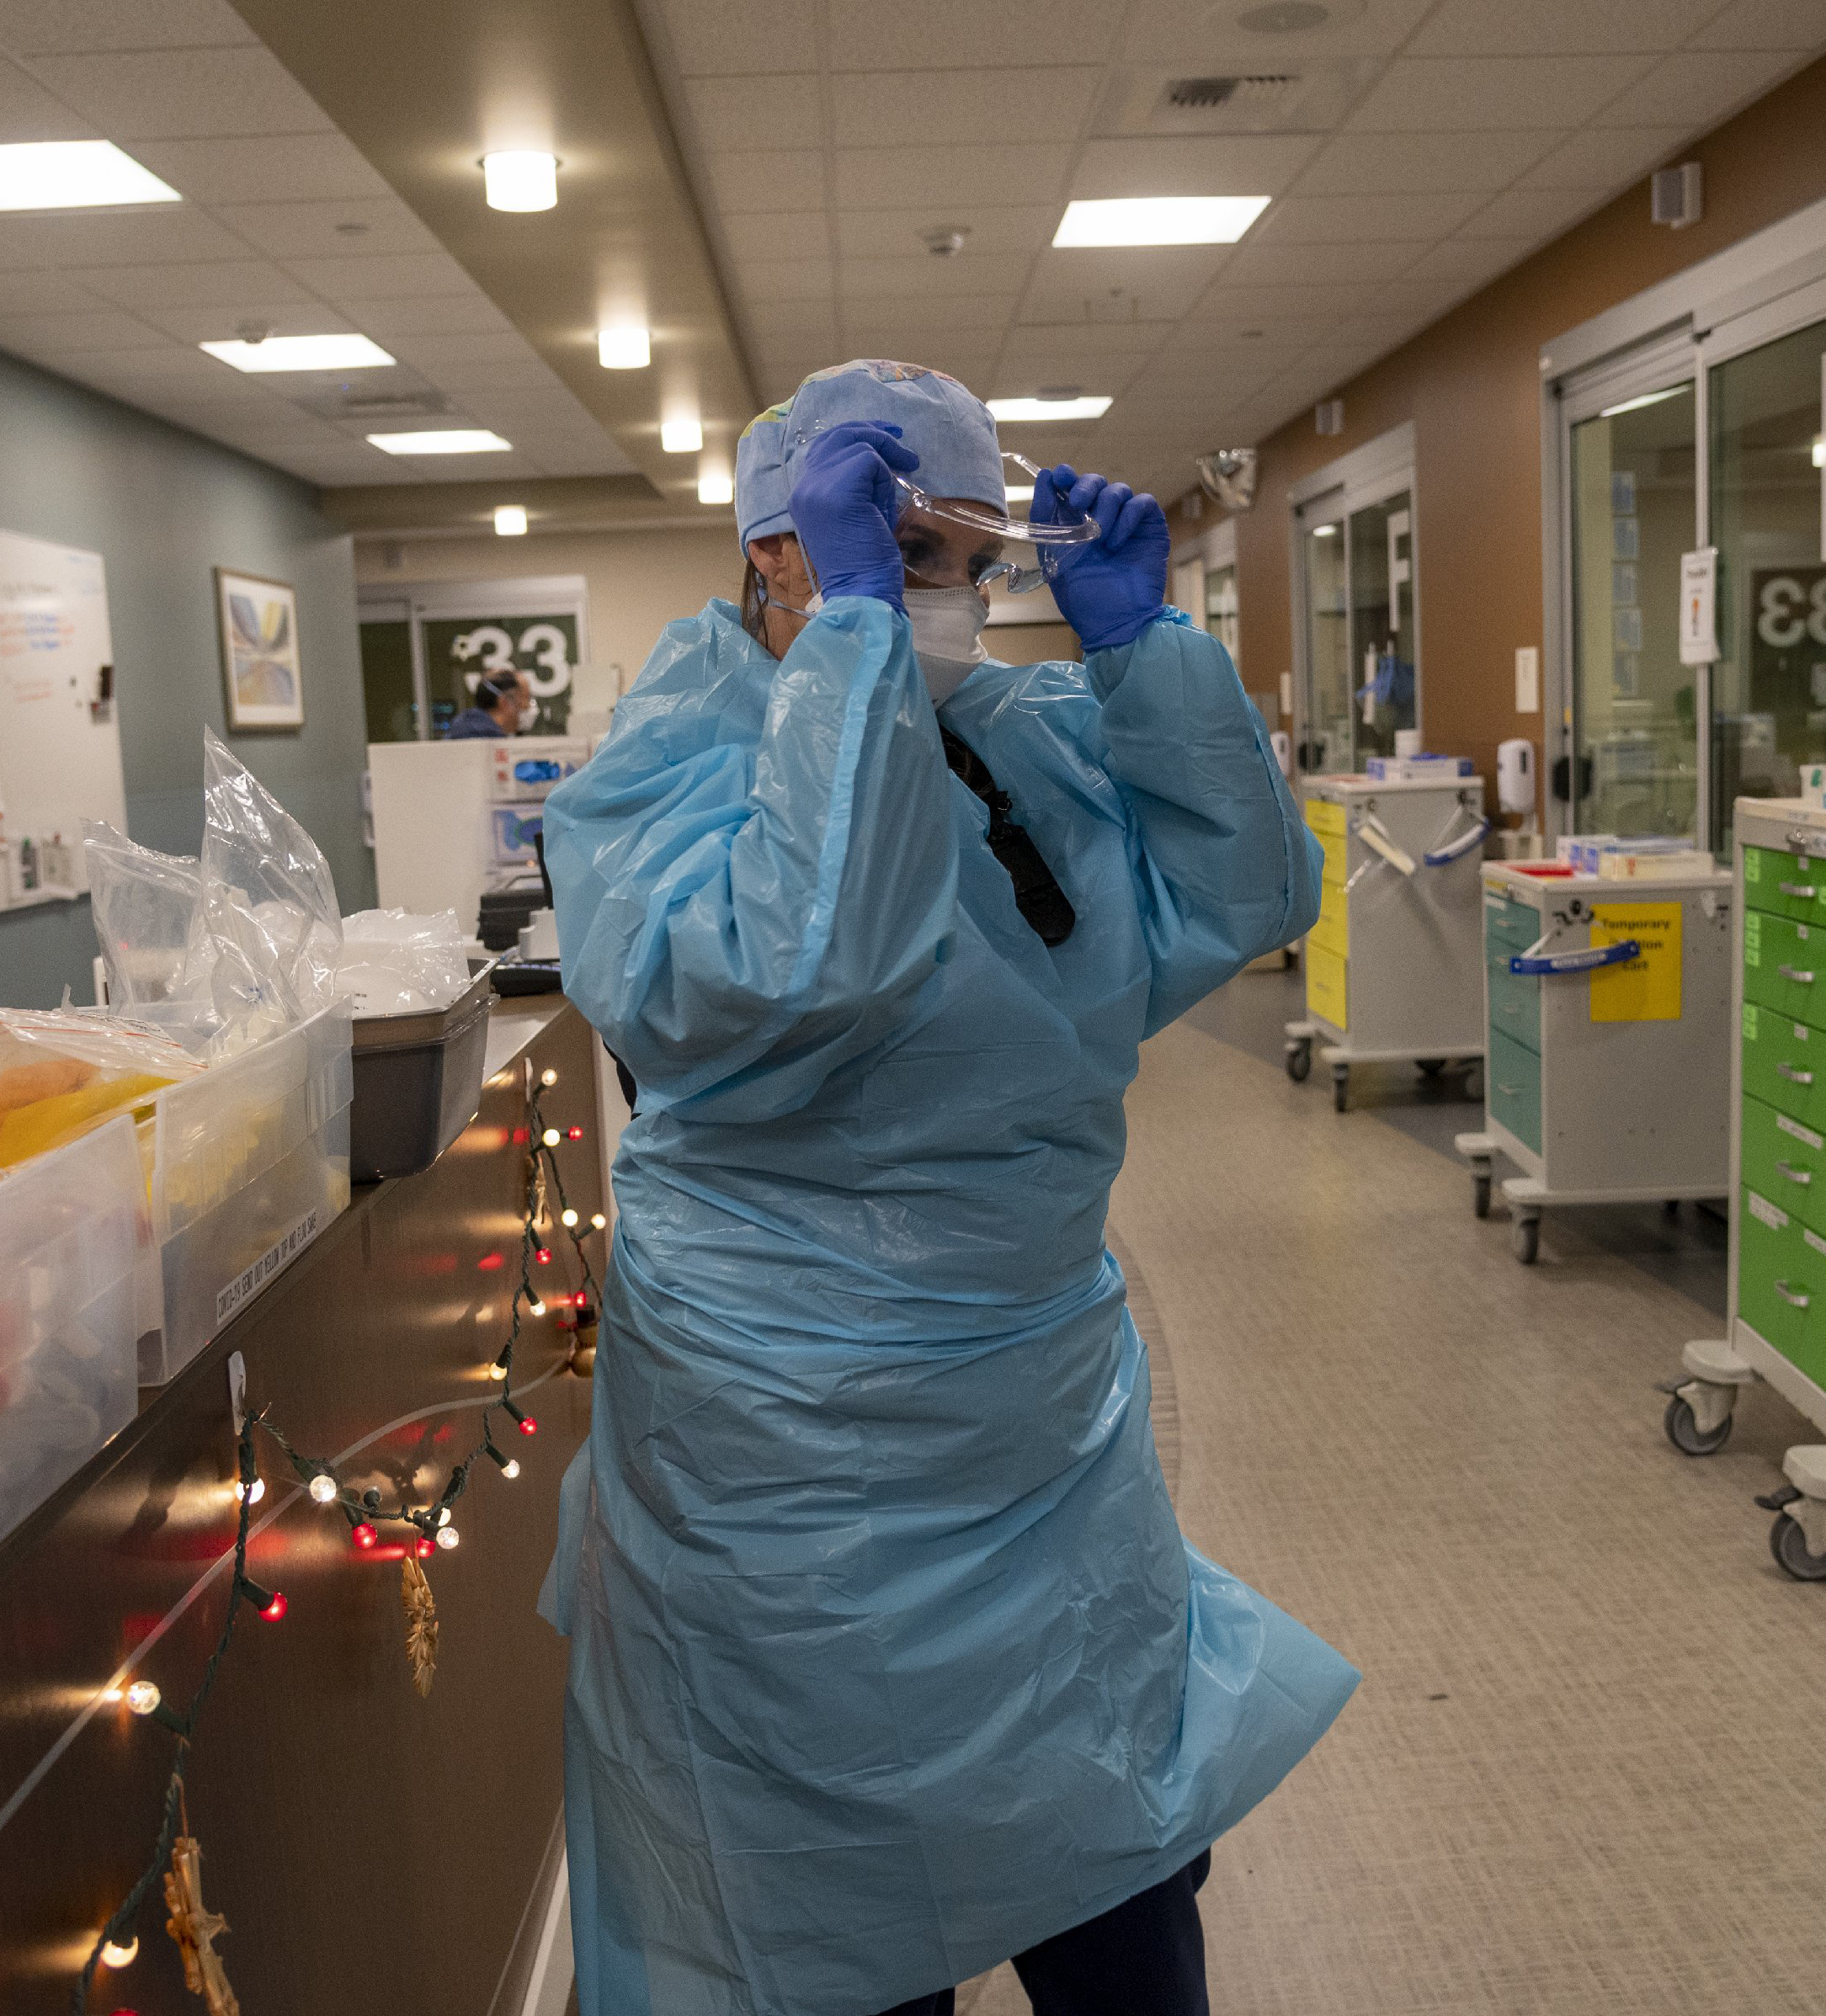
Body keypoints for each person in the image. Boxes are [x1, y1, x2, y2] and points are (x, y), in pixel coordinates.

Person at [540, 359, 1357, 2016]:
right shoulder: (664, 771)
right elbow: (792, 968)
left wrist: (1147, 655)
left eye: (967, 557)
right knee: (822, 1897)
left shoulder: (1025, 742)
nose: (945, 597)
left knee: (1114, 1850)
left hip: (1038, 1422)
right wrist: (853, 641)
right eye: (899, 550)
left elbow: (1250, 889)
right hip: (780, 1459)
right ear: (773, 554)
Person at [445, 668, 530, 738]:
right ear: (504, 702)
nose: (527, 706)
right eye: (524, 698)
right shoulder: (483, 736)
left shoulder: (465, 725)